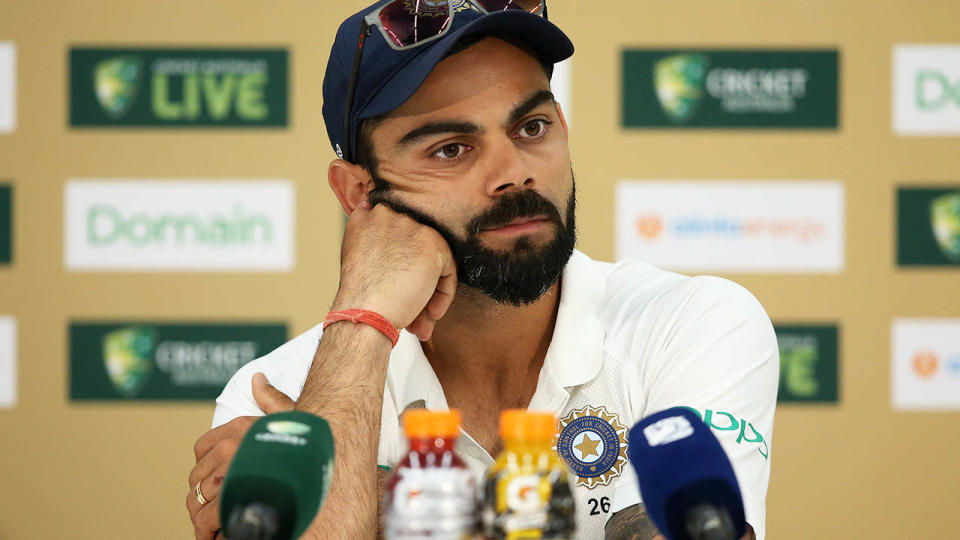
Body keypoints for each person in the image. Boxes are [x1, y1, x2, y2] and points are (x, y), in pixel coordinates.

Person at [186, 1, 778, 539]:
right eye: (451, 148)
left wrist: (379, 494)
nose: (514, 172)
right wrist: (361, 321)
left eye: (531, 128)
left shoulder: (690, 323)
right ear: (360, 193)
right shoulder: (275, 390)